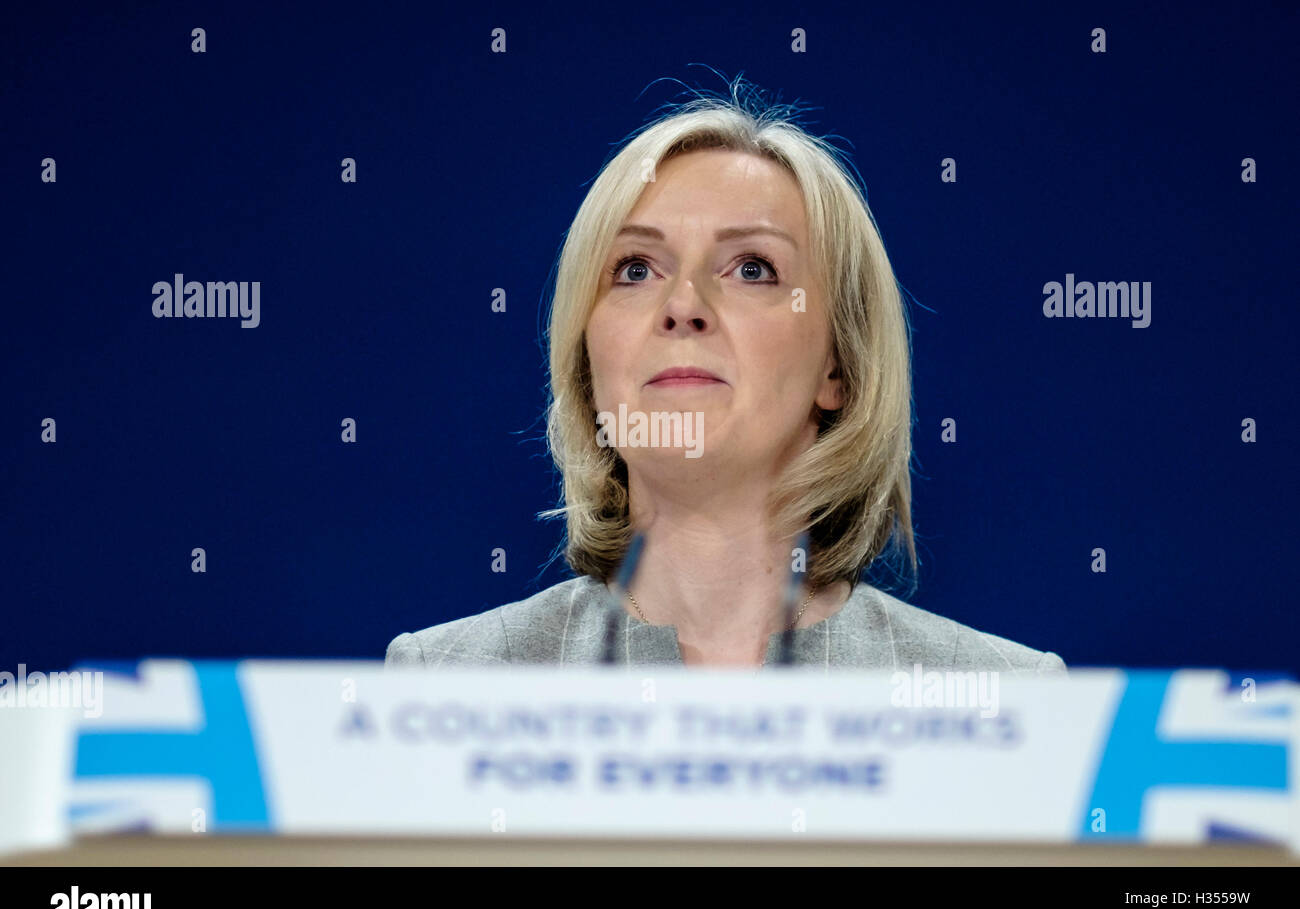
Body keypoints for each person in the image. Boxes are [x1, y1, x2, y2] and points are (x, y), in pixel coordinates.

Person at [387, 81, 1066, 673]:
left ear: (840, 367)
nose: (682, 307)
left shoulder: (1006, 702)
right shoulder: (446, 679)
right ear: (589, 365)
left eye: (751, 269)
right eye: (635, 270)